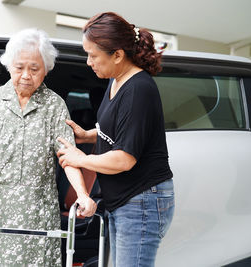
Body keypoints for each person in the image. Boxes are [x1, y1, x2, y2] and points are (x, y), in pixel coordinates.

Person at [0, 28, 96, 266]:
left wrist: (83, 195)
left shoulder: (54, 105)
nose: (25, 75)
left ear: (46, 69)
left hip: (37, 212)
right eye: (19, 67)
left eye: (34, 69)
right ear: (9, 64)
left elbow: (68, 156)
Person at [57, 12, 175, 267]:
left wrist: (82, 159)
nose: (88, 62)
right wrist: (88, 135)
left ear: (118, 55)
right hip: (125, 199)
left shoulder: (139, 89)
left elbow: (124, 159)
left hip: (142, 199)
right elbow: (117, 131)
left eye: (93, 55)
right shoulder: (115, 80)